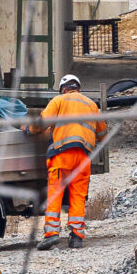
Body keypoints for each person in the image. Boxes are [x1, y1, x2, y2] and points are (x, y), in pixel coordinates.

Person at [30, 74, 106, 250]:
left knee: (55, 193)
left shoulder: (59, 100)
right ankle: (77, 237)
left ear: (64, 88)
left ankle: (51, 234)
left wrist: (29, 129)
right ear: (77, 87)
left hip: (62, 154)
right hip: (83, 157)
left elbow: (42, 122)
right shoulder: (91, 105)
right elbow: (103, 133)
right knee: (78, 196)